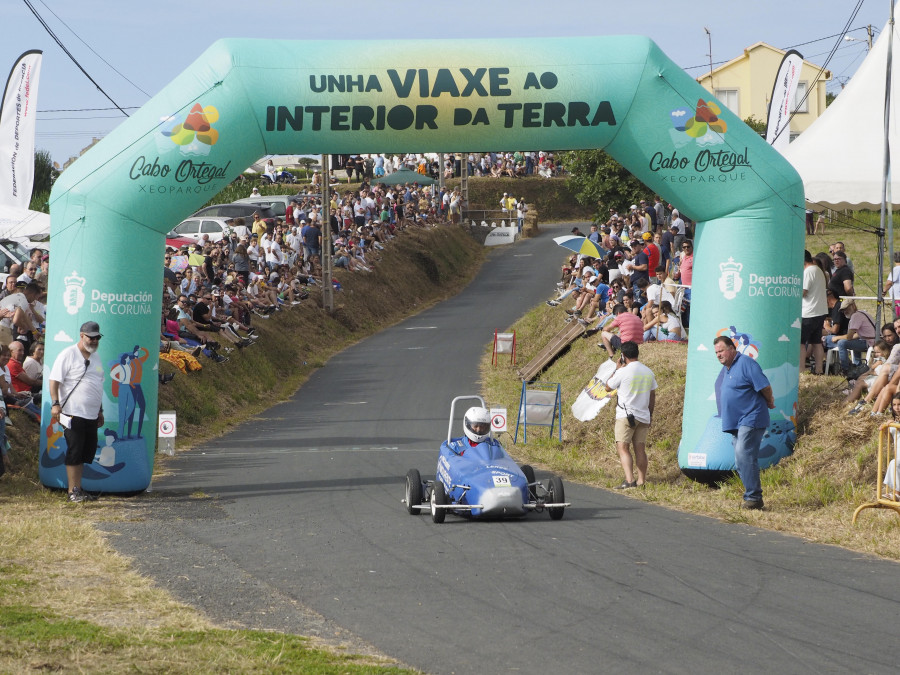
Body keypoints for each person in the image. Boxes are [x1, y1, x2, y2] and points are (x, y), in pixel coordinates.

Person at [713, 336, 775, 510]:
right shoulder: (728, 368)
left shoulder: (747, 363)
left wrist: (769, 401)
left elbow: (765, 386)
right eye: (716, 352)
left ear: (732, 349)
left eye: (721, 350)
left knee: (743, 453)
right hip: (736, 422)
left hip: (752, 417)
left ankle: (753, 497)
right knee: (741, 460)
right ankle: (752, 495)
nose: (718, 355)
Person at [48, 321, 106, 503]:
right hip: (73, 413)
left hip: (91, 414)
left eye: (97, 338)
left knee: (84, 453)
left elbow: (98, 385)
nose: (95, 341)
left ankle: (78, 488)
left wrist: (100, 411)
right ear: (82, 335)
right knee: (74, 451)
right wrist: (55, 403)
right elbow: (54, 380)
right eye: (91, 337)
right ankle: (72, 491)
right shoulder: (68, 354)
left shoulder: (96, 357)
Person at [603, 341, 657, 489]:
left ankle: (629, 480)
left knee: (623, 448)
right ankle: (641, 481)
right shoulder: (648, 372)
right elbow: (652, 396)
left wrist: (616, 369)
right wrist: (650, 414)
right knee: (640, 449)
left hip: (626, 416)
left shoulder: (622, 371)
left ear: (623, 355)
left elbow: (608, 387)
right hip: (644, 416)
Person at [801, 250, 828, 375]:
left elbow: (803, 292)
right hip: (820, 310)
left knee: (800, 343)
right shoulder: (818, 270)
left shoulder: (808, 272)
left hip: (809, 311)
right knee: (816, 342)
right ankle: (819, 369)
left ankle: (800, 370)